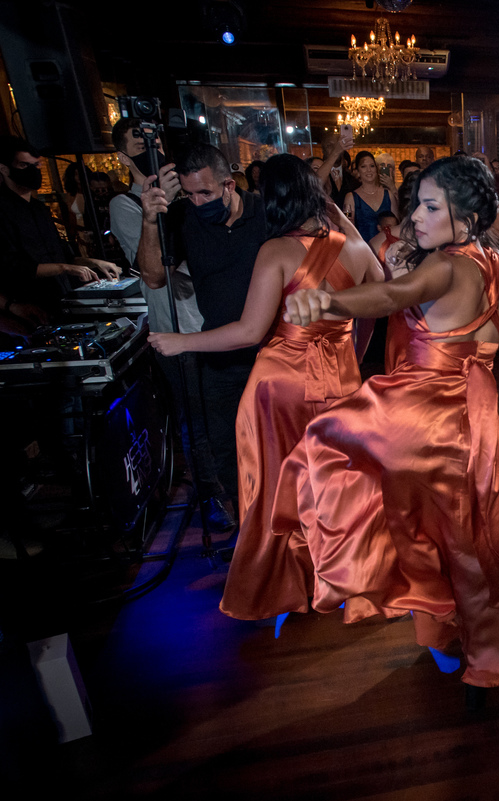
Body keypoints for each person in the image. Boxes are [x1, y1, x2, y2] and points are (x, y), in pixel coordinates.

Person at [272, 155, 499, 706]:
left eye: (431, 207)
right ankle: (460, 639)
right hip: (475, 411)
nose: (416, 216)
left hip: (428, 409)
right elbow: (486, 343)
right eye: (417, 204)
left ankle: (396, 602)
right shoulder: (494, 262)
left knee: (325, 452)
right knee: (462, 535)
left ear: (467, 215)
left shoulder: (448, 266)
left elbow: (390, 297)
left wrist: (327, 299)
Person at [147, 154, 383, 621]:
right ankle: (339, 576)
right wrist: (341, 223)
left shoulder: (276, 250)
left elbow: (251, 332)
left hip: (283, 382)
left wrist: (182, 342)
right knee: (336, 484)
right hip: (341, 377)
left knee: (278, 486)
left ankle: (284, 578)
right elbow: (378, 290)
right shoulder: (352, 250)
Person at [108, 118, 232, 532]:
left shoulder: (190, 195)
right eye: (139, 144)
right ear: (124, 156)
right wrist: (153, 216)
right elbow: (155, 271)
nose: (151, 148)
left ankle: (233, 487)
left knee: (222, 414)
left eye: (155, 140)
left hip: (215, 322)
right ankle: (212, 496)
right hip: (175, 325)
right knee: (194, 418)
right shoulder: (125, 206)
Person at [138, 143, 270, 516]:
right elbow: (152, 276)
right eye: (190, 193)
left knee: (277, 443)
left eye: (206, 193)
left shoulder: (264, 213)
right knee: (227, 449)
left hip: (273, 351)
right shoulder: (182, 217)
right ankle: (249, 527)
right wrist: (150, 221)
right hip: (220, 355)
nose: (197, 202)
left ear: (229, 184)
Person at [0, 136, 120, 325]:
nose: (33, 171)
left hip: (60, 300)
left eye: (37, 165)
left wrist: (93, 262)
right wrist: (65, 268)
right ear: (4, 169)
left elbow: (62, 255)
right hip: (28, 308)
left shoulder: (39, 209)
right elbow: (15, 268)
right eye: (24, 166)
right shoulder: (3, 211)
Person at [342, 151, 398, 244]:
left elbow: (397, 224)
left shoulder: (388, 195)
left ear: (376, 169)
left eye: (372, 166)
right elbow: (347, 226)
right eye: (363, 166)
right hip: (363, 250)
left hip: (387, 249)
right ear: (358, 171)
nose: (369, 170)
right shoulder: (350, 197)